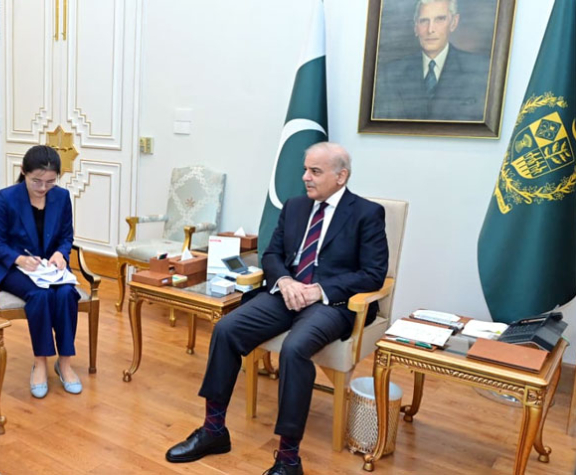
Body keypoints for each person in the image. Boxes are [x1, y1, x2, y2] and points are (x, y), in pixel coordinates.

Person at [165, 142, 388, 475]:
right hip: (286, 293)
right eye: (305, 169)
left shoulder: (366, 213)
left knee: (295, 349)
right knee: (226, 329)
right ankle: (213, 430)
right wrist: (284, 281)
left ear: (341, 176)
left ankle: (288, 459)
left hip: (332, 302)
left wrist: (319, 290)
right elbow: (271, 254)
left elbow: (373, 273)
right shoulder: (295, 206)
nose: (305, 177)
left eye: (315, 171)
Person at [0, 145, 81, 398]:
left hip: (49, 268)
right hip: (16, 268)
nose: (43, 188)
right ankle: (40, 362)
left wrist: (61, 253)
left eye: (50, 182)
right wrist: (19, 259)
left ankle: (65, 363)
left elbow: (66, 236)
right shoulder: (6, 199)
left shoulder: (61, 197)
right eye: (36, 181)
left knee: (67, 294)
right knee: (40, 296)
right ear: (23, 172)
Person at [373, 0, 489, 121]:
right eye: (424, 21)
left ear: (453, 23)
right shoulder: (390, 74)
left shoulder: (480, 70)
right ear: (415, 27)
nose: (430, 30)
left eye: (440, 19)